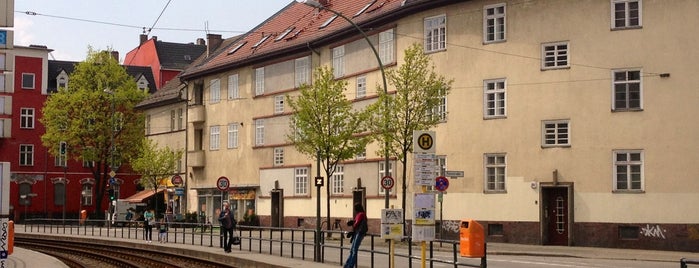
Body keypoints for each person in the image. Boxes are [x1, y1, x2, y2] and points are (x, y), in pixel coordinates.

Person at [344, 203, 368, 268]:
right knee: (353, 250)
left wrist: (353, 223)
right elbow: (356, 222)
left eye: (355, 208)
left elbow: (356, 223)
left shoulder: (360, 214)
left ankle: (349, 265)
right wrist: (353, 222)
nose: (354, 210)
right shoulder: (360, 214)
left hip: (359, 233)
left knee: (354, 250)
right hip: (358, 233)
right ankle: (347, 265)